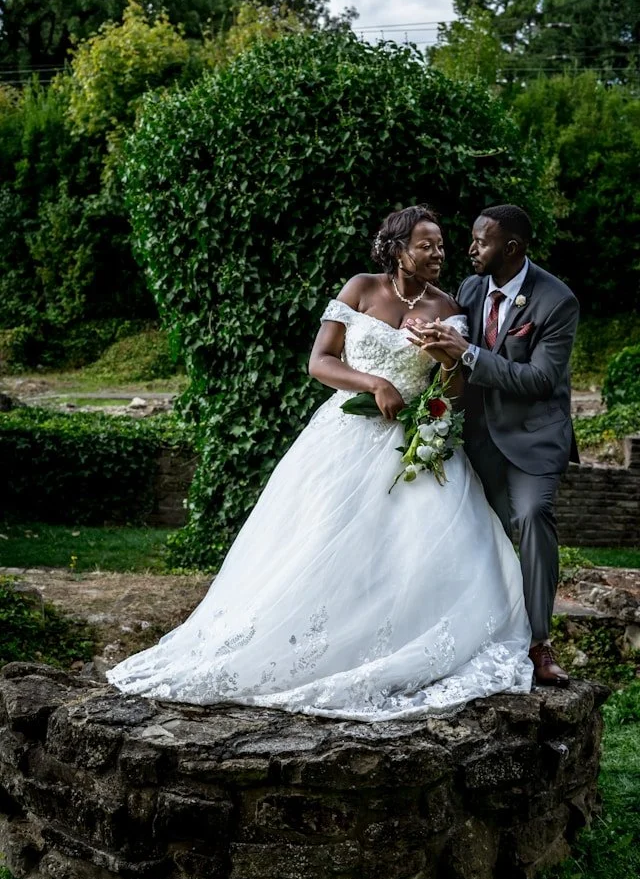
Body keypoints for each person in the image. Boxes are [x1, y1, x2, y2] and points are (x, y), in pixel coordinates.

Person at [107, 205, 533, 720]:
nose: (439, 254)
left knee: (415, 549)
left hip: (412, 445)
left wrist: (447, 359)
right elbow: (321, 362)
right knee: (319, 540)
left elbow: (454, 389)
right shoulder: (361, 288)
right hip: (344, 437)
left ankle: (388, 641)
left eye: (442, 245)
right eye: (427, 246)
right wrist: (375, 383)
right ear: (397, 250)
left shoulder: (447, 307)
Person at [407, 205, 579, 687]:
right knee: (467, 527)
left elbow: (541, 379)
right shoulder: (470, 288)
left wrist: (468, 354)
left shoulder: (557, 301)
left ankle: (539, 644)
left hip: (532, 441)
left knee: (530, 518)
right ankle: (469, 638)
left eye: (480, 242)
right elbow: (455, 358)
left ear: (512, 249)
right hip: (476, 436)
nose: (469, 249)